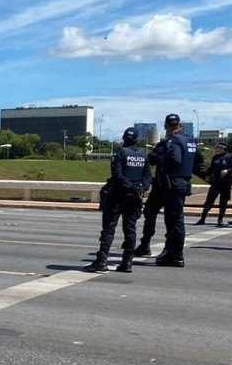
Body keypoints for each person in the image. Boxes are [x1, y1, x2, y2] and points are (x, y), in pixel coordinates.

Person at [86, 127, 150, 273]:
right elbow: (148, 177)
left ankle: (101, 262)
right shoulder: (143, 155)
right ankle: (127, 263)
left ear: (124, 138)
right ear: (137, 140)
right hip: (135, 198)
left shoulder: (121, 153)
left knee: (108, 230)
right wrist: (140, 188)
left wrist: (130, 186)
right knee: (130, 230)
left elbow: (117, 175)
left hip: (117, 196)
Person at [149, 113, 204, 267]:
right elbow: (198, 162)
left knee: (174, 221)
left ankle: (176, 255)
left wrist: (160, 157)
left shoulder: (172, 141)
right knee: (176, 220)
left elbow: (174, 159)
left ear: (167, 126)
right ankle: (172, 252)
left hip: (172, 183)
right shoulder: (190, 141)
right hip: (183, 182)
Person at [131, 137, 168, 257]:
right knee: (151, 213)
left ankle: (151, 245)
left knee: (168, 219)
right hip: (167, 186)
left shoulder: (164, 145)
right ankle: (146, 244)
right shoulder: (184, 143)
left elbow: (152, 159)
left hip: (165, 186)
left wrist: (155, 151)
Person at [195, 139, 232, 225]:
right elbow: (211, 169)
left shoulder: (230, 157)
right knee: (209, 201)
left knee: (223, 202)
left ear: (223, 148)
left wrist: (227, 171)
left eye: (218, 147)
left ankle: (220, 220)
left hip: (226, 183)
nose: (216, 149)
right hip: (216, 182)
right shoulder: (215, 157)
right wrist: (205, 173)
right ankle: (202, 219)